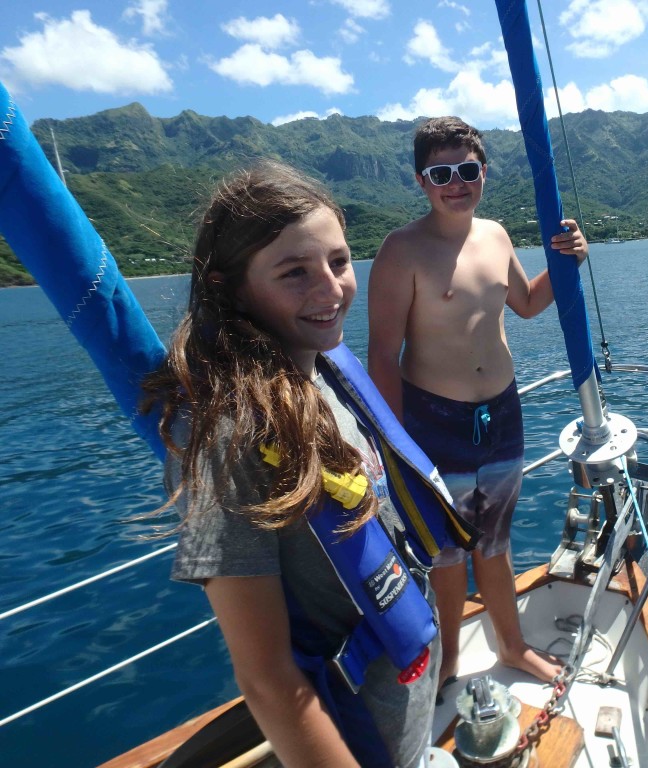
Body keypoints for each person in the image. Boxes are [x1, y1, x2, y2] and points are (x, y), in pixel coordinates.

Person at [142, 160, 467, 768]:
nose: (330, 289)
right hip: (358, 728)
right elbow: (266, 678)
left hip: (407, 689)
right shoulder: (228, 435)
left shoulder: (322, 367)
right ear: (231, 287)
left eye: (339, 262)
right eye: (295, 273)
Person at [367, 116, 589, 690]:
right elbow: (383, 355)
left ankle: (511, 647)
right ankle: (447, 660)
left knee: (494, 543)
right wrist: (391, 443)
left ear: (483, 173)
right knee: (444, 554)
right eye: (441, 173)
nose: (456, 182)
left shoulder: (495, 235)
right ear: (421, 181)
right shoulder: (401, 250)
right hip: (431, 423)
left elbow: (527, 302)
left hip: (501, 416)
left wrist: (566, 261)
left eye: (467, 170)